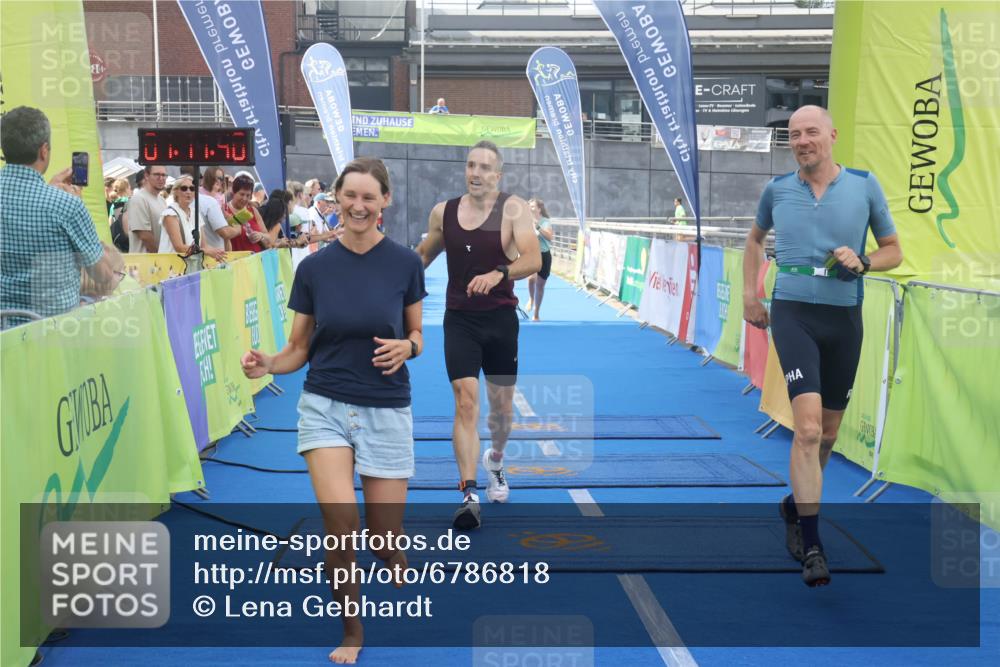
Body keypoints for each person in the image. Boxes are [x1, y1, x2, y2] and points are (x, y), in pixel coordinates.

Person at [241, 157, 425, 664]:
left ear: (385, 201)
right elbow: (298, 348)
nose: (358, 206)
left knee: (382, 537)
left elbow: (416, 334)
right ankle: (351, 630)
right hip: (325, 405)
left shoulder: (406, 264)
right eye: (350, 196)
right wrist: (269, 364)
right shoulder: (314, 268)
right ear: (336, 198)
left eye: (369, 197)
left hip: (386, 407)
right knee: (341, 525)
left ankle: (390, 547)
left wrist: (408, 347)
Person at [742, 105, 902, 587]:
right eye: (794, 135)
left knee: (829, 435)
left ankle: (795, 506)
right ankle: (812, 545)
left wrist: (865, 260)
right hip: (792, 313)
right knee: (808, 429)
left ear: (832, 135)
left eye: (811, 132)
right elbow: (754, 240)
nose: (802, 141)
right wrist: (750, 294)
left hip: (844, 317)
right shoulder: (777, 190)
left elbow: (894, 251)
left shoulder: (864, 185)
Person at [415, 140, 541, 529]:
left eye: (485, 167)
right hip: (460, 320)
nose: (476, 173)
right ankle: (468, 494)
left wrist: (499, 273)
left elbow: (533, 259)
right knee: (466, 402)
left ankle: (496, 461)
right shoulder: (444, 212)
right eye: (471, 165)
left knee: (501, 410)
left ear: (498, 175)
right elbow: (422, 257)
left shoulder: (513, 209)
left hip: (501, 320)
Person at [0, 106, 114, 327]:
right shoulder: (67, 206)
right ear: (44, 151)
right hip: (52, 334)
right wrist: (72, 208)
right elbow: (103, 275)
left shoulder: (60, 203)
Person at [157, 174, 226, 260]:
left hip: (190, 264)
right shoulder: (170, 214)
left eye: (192, 189)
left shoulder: (195, 213)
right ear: (176, 191)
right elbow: (179, 247)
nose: (188, 192)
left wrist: (218, 253)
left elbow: (204, 245)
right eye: (184, 188)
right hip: (171, 264)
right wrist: (206, 251)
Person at [180, 165, 239, 254]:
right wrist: (238, 229)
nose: (219, 181)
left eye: (221, 178)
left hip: (197, 254)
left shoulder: (180, 202)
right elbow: (225, 233)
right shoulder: (209, 202)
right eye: (217, 178)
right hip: (213, 256)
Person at [224, 174, 273, 253]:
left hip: (256, 258)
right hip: (237, 259)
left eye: (248, 195)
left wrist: (260, 236)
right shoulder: (225, 211)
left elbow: (269, 237)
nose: (244, 198)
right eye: (242, 194)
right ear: (234, 192)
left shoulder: (253, 210)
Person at [127, 164, 168, 252]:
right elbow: (144, 235)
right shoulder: (138, 199)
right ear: (146, 176)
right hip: (145, 259)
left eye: (164, 175)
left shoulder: (162, 200)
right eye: (157, 174)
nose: (161, 178)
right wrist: (160, 254)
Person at [524, 197, 554, 321]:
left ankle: (536, 313)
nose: (530, 208)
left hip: (544, 254)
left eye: (532, 206)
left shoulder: (545, 222)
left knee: (540, 285)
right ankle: (531, 298)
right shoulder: (525, 221)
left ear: (539, 209)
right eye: (529, 206)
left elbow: (549, 238)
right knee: (531, 279)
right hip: (532, 254)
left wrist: (537, 227)